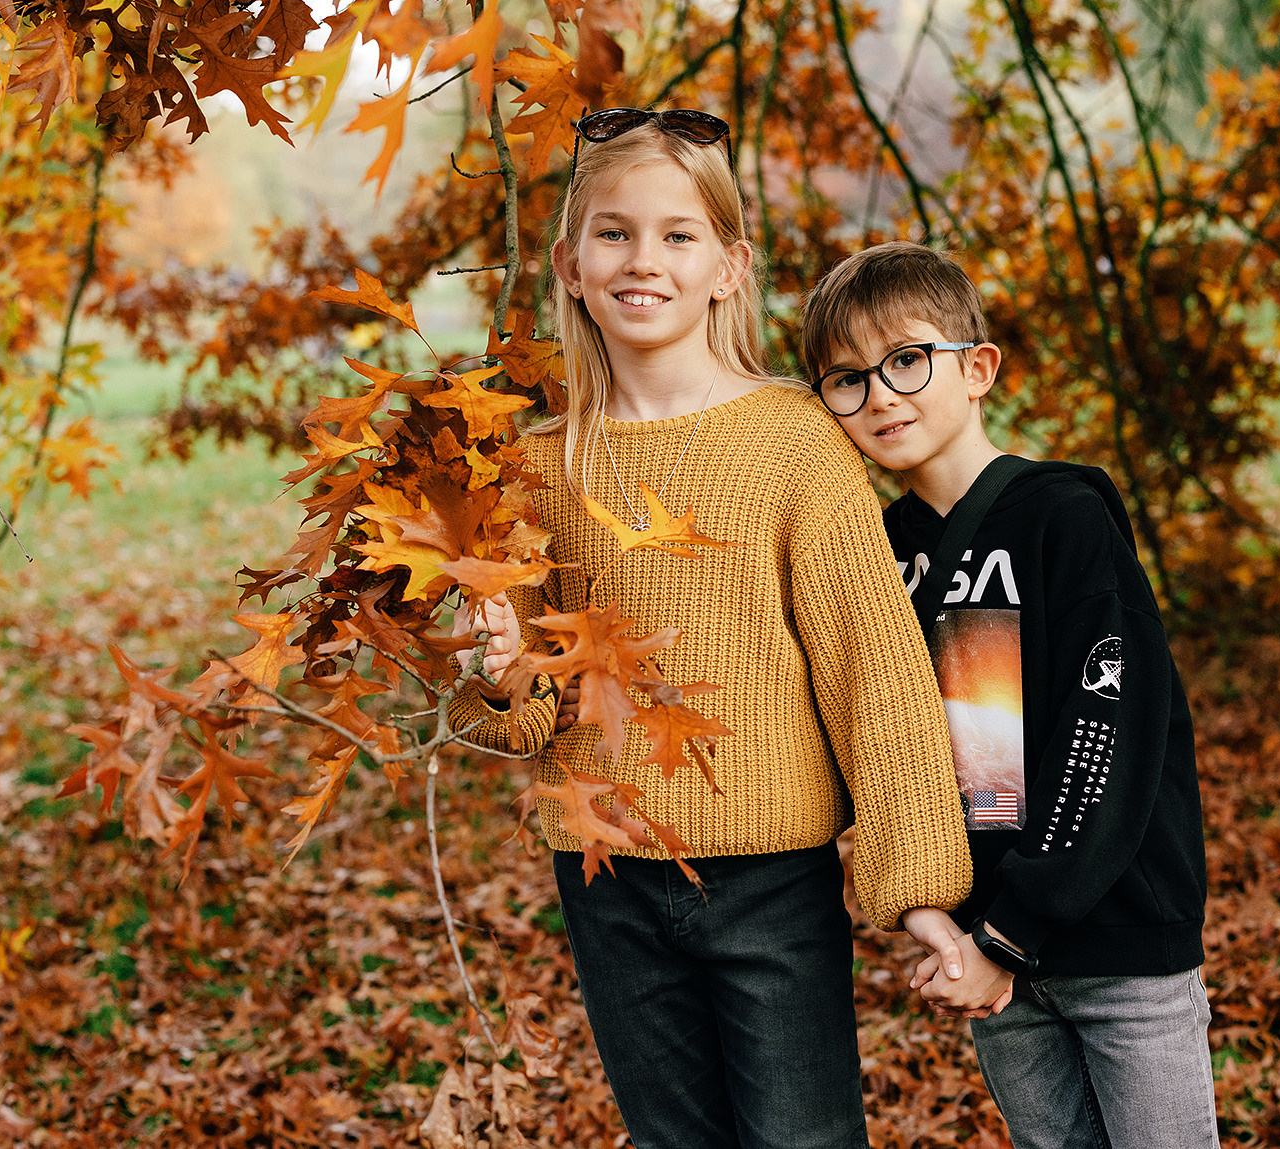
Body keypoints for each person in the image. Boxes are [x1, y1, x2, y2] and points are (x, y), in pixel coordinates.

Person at [453, 111, 973, 1149]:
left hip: (770, 878)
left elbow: (874, 671)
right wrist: (500, 673)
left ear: (728, 267)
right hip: (607, 880)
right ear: (567, 263)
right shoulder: (533, 466)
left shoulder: (792, 441)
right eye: (613, 233)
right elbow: (524, 714)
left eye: (676, 236)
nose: (642, 259)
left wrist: (916, 887)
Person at [801, 241, 1216, 1149]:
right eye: (846, 379)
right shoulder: (876, 554)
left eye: (907, 359)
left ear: (978, 367)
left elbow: (1107, 729)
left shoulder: (1061, 516)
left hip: (1117, 941)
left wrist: (1011, 935)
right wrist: (961, 932)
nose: (880, 395)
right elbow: (878, 740)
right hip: (987, 952)